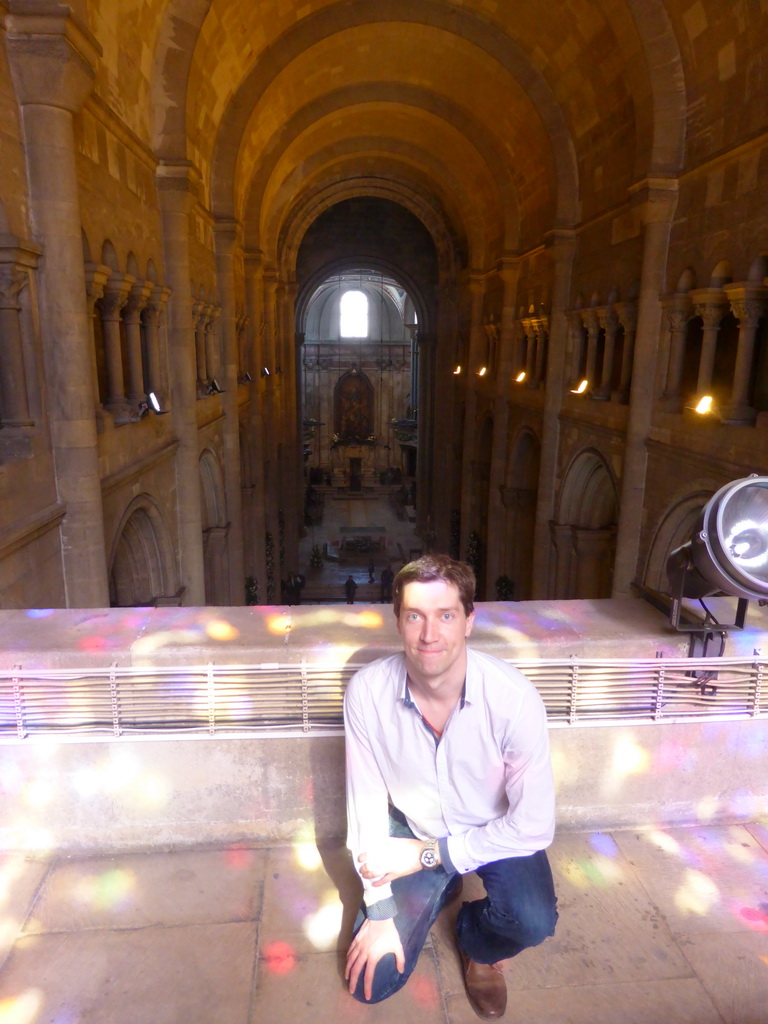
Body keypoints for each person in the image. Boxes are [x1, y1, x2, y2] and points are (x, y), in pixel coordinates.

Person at [343, 554, 557, 1019]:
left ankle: (476, 944)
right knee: (371, 985)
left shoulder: (514, 700)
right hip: (411, 824)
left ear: (468, 622)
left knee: (533, 921)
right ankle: (441, 885)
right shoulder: (366, 692)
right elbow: (363, 804)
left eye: (445, 615)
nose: (429, 634)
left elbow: (534, 826)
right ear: (397, 621)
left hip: (492, 829)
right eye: (414, 616)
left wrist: (430, 855)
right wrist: (378, 910)